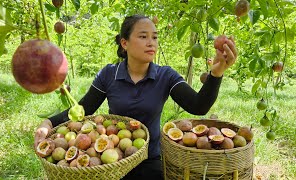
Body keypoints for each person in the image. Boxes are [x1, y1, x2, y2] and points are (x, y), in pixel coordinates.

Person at [34, 14, 237, 179]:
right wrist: (48, 123)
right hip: (111, 162)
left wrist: (216, 73)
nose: (151, 42)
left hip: (151, 160)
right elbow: (84, 108)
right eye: (143, 36)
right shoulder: (108, 74)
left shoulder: (166, 75)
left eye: (155, 37)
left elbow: (198, 106)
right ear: (125, 43)